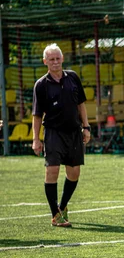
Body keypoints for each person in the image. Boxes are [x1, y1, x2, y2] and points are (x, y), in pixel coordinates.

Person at [32, 43, 91, 228]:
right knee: (52, 171)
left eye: (58, 58)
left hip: (74, 131)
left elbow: (81, 104)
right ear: (45, 62)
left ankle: (62, 207)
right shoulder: (40, 85)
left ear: (62, 58)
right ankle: (55, 215)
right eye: (51, 59)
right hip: (53, 133)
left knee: (74, 173)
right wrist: (36, 139)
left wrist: (86, 127)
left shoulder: (73, 77)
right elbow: (37, 115)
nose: (55, 62)